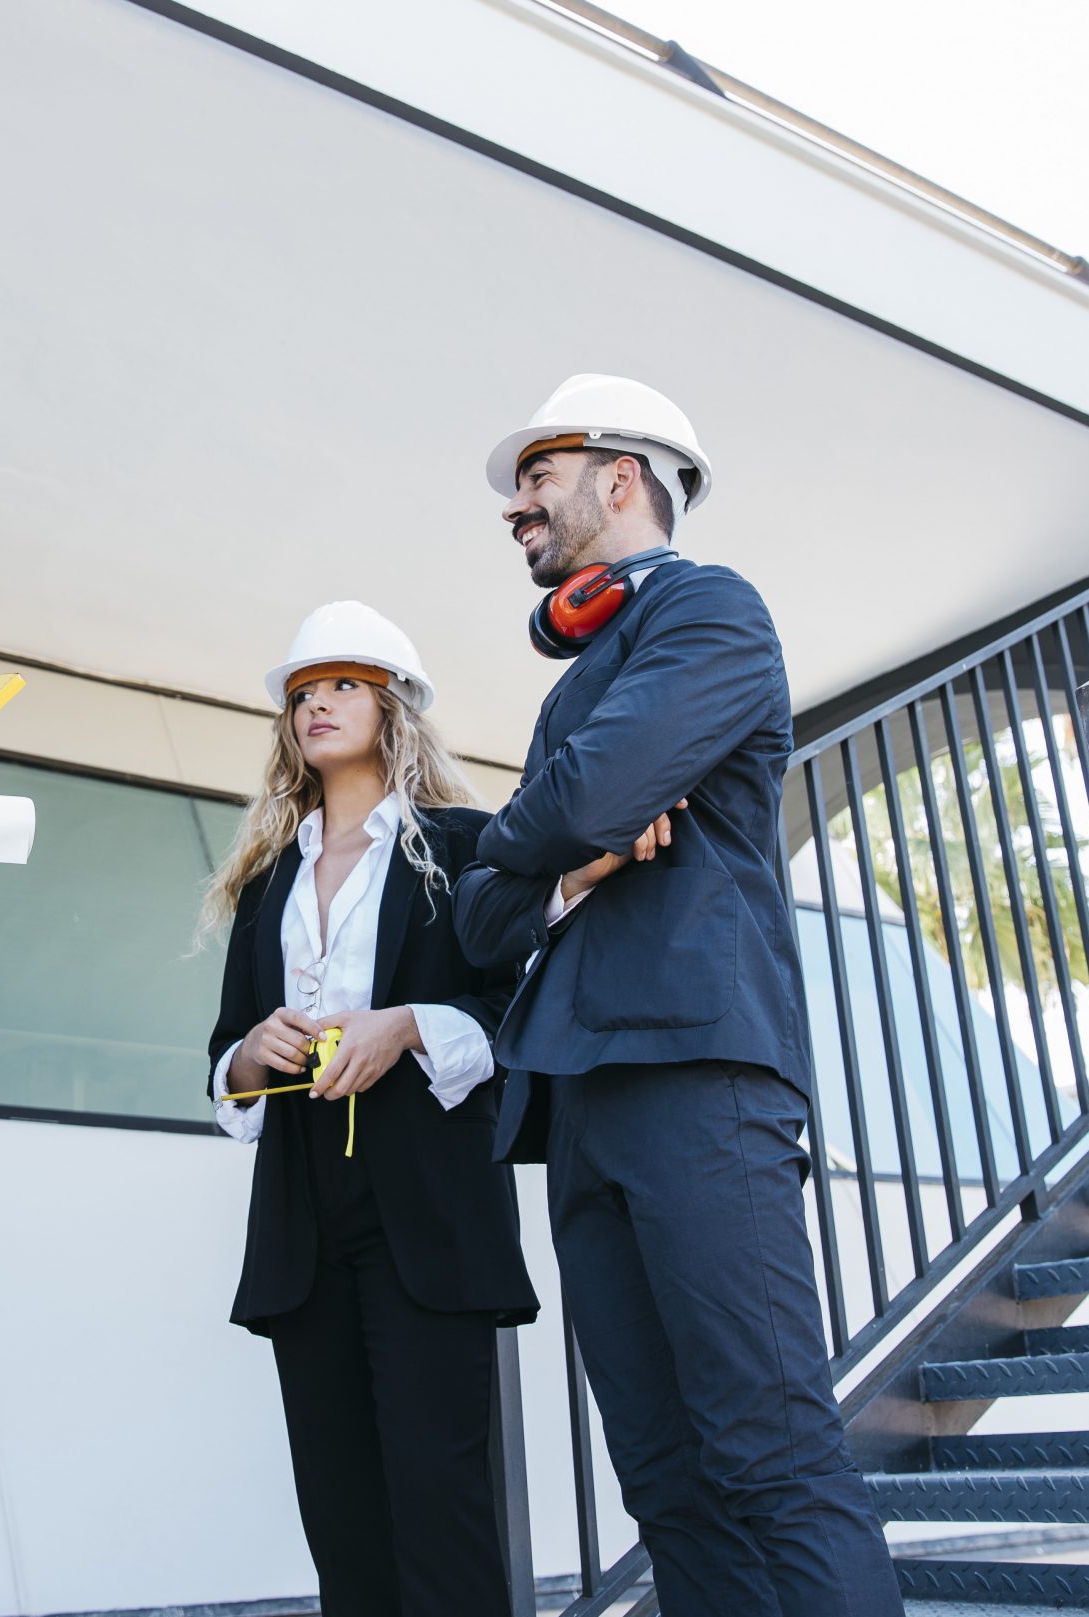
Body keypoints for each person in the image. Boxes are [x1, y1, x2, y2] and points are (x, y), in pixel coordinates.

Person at [454, 375, 901, 1615]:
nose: (515, 507)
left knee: (768, 1453)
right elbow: (484, 917)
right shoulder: (568, 693)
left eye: (535, 477)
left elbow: (581, 803)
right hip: (577, 1105)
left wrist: (541, 830)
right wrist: (565, 857)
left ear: (621, 475)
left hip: (697, 1077)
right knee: (665, 1480)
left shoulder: (712, 612)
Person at [201, 601, 538, 1617]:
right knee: (339, 1513)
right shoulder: (268, 878)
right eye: (303, 692)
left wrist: (411, 1023)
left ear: (394, 704)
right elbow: (222, 1048)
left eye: (342, 684)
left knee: (440, 1501)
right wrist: (248, 1060)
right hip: (303, 1210)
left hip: (426, 1203)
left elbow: (520, 1002)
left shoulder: (469, 844)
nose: (316, 705)